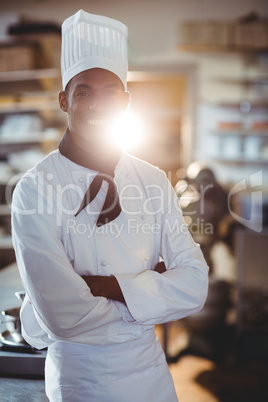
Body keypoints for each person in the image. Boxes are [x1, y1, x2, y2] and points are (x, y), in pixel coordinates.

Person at [11, 9, 209, 402]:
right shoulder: (34, 190)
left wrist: (109, 287)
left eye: (110, 92)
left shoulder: (152, 180)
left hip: (152, 375)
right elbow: (65, 317)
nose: (99, 104)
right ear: (64, 100)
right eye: (84, 91)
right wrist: (148, 296)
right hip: (80, 381)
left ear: (126, 102)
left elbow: (195, 285)